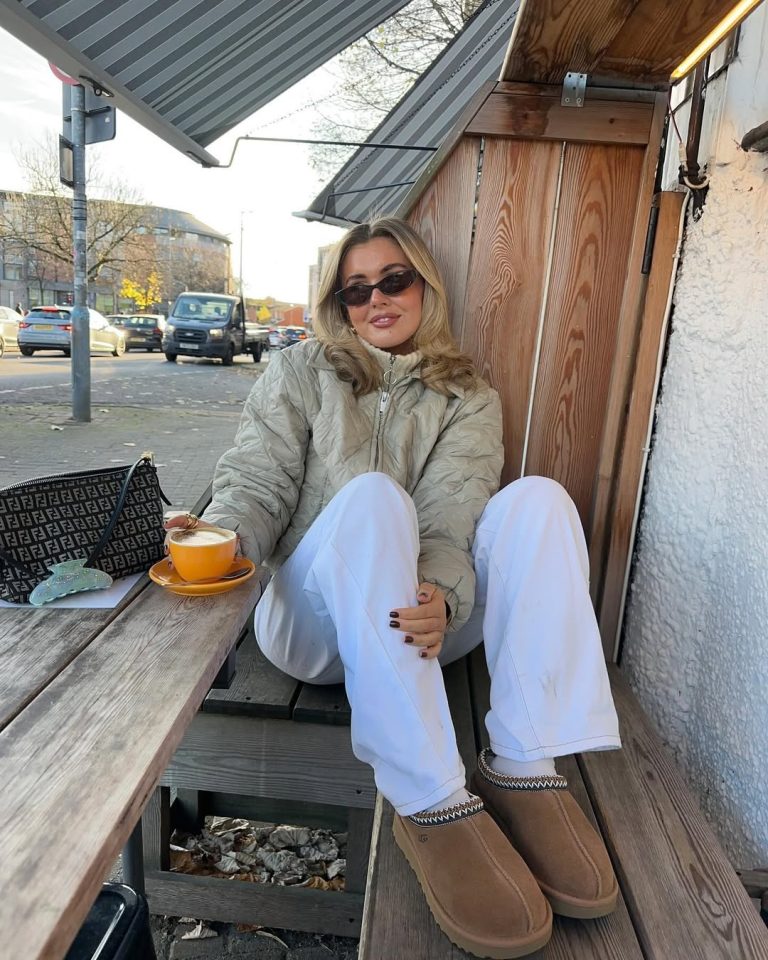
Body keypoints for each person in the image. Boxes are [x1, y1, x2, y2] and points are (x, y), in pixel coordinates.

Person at [166, 217, 621, 959]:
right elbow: (256, 479)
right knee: (374, 497)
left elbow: (452, 514)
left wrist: (441, 591)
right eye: (356, 290)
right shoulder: (300, 371)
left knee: (536, 501)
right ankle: (429, 794)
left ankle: (524, 763)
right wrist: (219, 539)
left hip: (418, 627)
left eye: (393, 280)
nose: (376, 299)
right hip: (312, 627)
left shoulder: (465, 393)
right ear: (338, 304)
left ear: (424, 287)